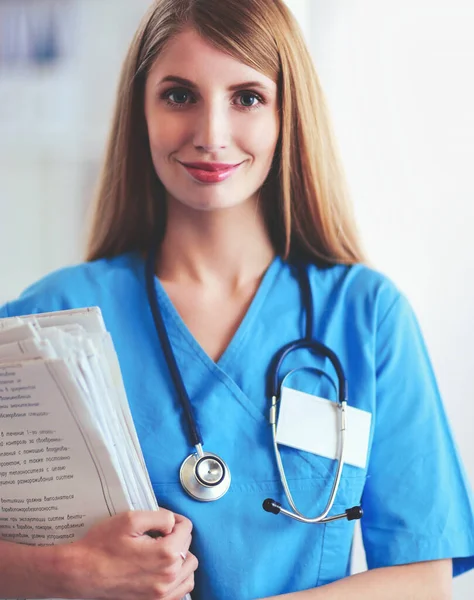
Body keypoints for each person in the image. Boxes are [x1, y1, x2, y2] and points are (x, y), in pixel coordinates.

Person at [0, 0, 473, 598]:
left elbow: (423, 578)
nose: (210, 135)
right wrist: (70, 573)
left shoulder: (366, 316)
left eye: (247, 98)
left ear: (286, 115)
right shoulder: (45, 320)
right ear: (140, 111)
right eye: (178, 96)